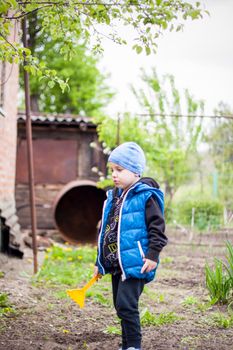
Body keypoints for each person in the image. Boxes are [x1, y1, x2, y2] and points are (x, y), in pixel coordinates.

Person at [94, 142, 167, 350]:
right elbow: (106, 231)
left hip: (138, 262)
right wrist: (99, 262)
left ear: (135, 171)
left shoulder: (146, 196)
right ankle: (127, 346)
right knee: (120, 306)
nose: (114, 175)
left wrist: (153, 255)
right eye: (112, 170)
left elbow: (158, 229)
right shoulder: (113, 197)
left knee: (127, 305)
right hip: (118, 263)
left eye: (119, 170)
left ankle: (134, 346)